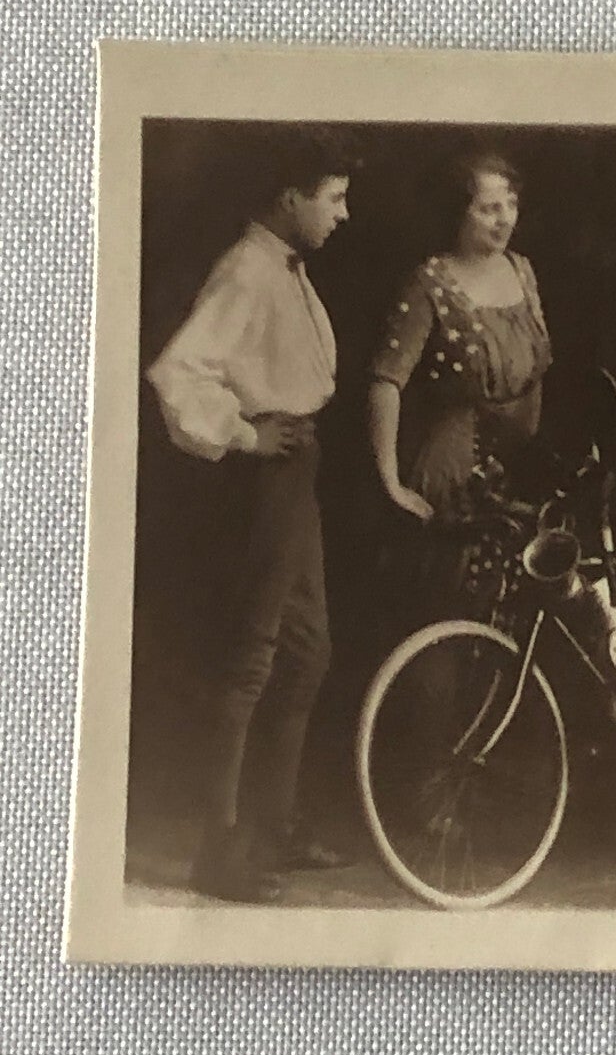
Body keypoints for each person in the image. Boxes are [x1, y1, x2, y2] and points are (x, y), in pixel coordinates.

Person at [146, 129, 357, 903]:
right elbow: (178, 373)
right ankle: (218, 849)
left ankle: (274, 827)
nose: (343, 214)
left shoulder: (283, 268)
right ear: (289, 198)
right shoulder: (246, 271)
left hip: (297, 470)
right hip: (266, 477)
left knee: (309, 652)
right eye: (332, 198)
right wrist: (243, 434)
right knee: (256, 659)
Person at [368, 151, 553, 617]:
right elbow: (385, 381)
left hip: (516, 478)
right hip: (453, 478)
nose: (504, 219)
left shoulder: (522, 271)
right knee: (447, 612)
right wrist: (390, 481)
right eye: (489, 208)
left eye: (510, 204)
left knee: (506, 621)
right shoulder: (430, 282)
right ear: (458, 211)